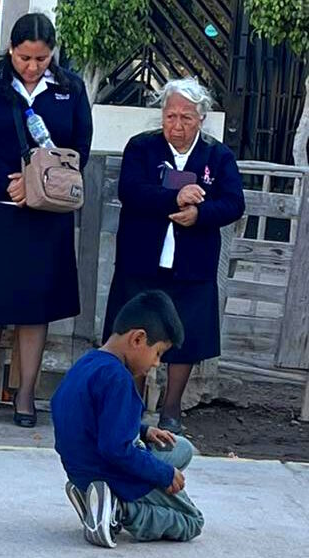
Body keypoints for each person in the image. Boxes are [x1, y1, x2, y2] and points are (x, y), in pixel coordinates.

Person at [0, 12, 93, 428]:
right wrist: (8, 180)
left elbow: (79, 148)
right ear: (11, 51)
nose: (32, 67)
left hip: (44, 214)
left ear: (52, 54)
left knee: (35, 306)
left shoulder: (70, 88)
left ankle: (25, 396)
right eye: (24, 58)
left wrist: (36, 183)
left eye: (41, 58)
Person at [104, 78, 245, 434]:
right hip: (142, 258)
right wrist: (175, 198)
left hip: (192, 261)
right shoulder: (142, 148)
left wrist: (200, 214)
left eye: (186, 118)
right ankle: (132, 409)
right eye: (170, 116)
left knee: (187, 335)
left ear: (201, 118)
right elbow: (131, 191)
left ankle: (172, 409)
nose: (177, 126)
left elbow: (233, 203)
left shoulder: (217, 155)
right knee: (135, 333)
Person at [52, 291, 204, 548]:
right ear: (138, 338)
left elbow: (88, 417)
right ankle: (119, 510)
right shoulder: (119, 379)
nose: (156, 363)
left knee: (182, 449)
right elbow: (116, 449)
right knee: (192, 521)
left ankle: (89, 495)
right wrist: (162, 474)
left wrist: (143, 432)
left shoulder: (87, 362)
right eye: (157, 353)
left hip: (80, 467)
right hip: (111, 471)